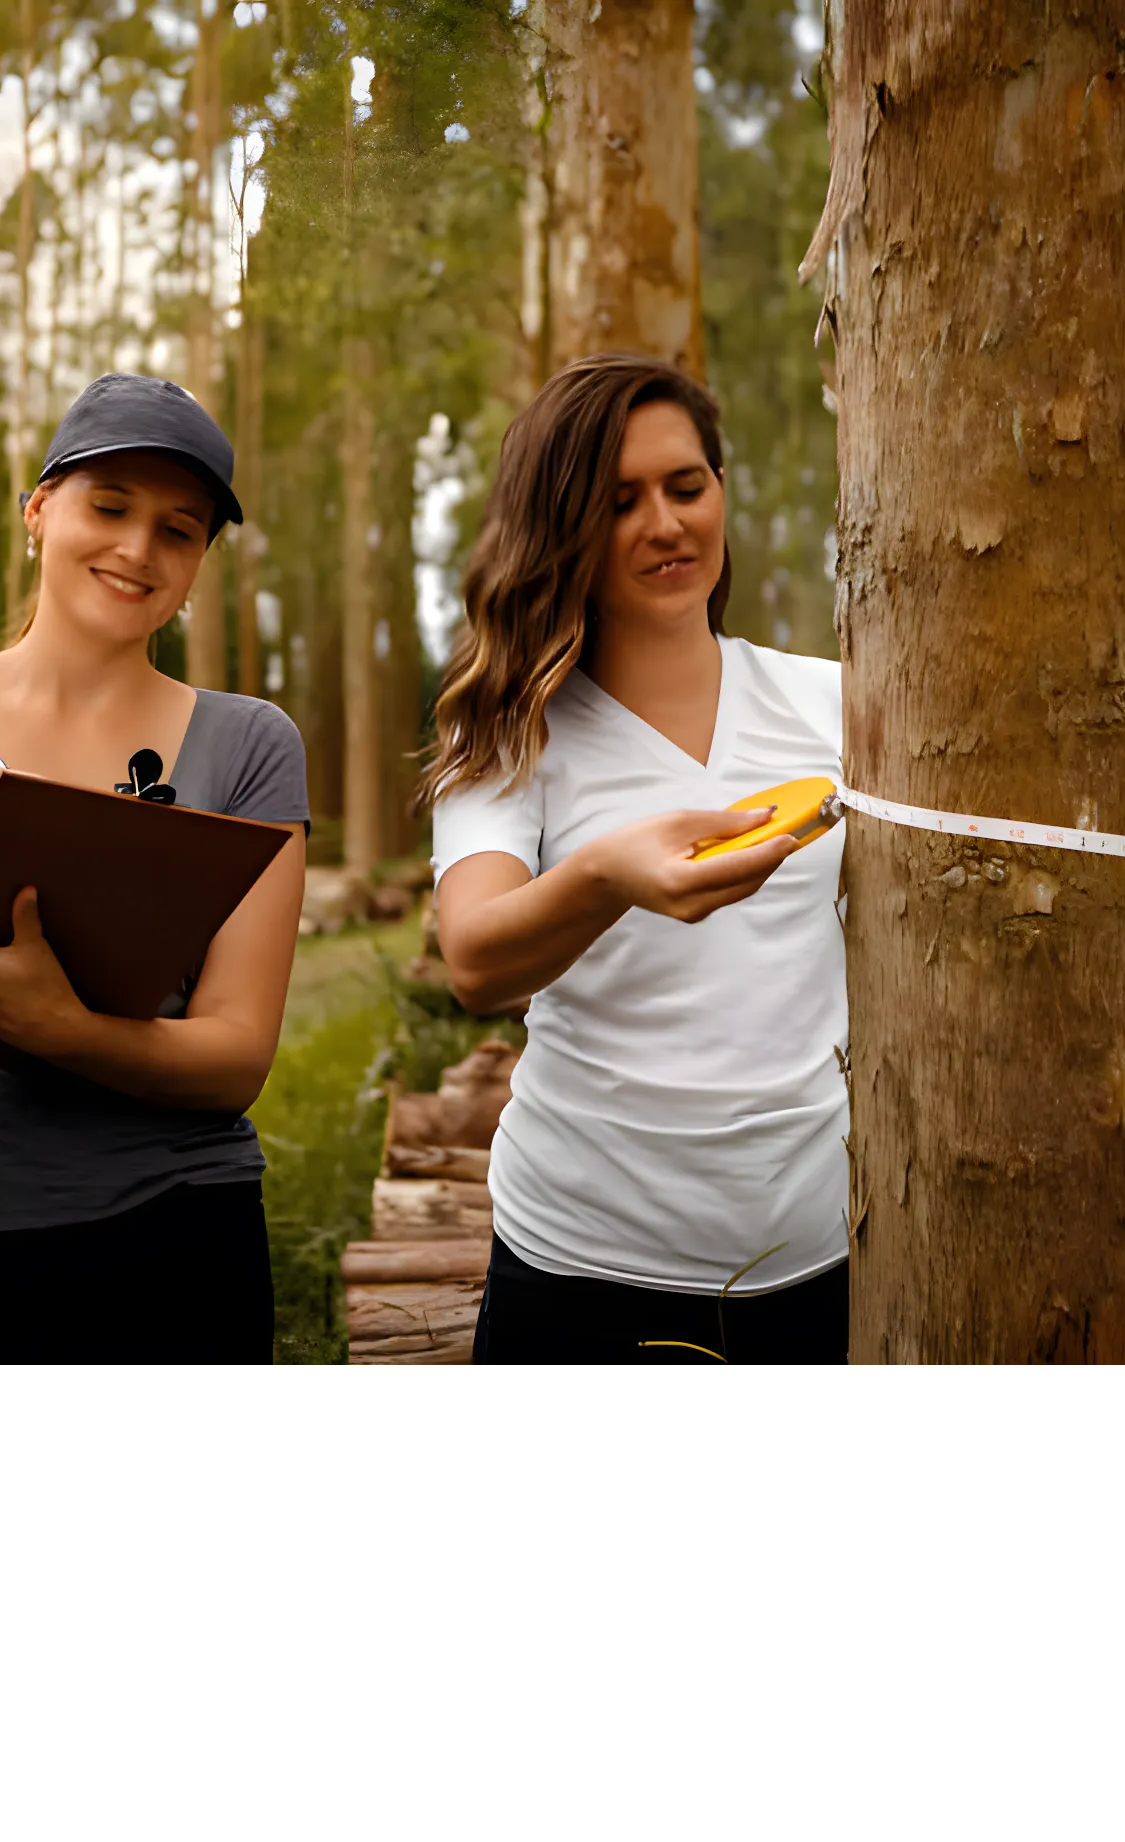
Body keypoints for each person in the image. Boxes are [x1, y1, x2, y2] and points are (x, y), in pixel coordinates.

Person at [0, 373, 308, 1365]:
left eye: (179, 529)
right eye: (107, 506)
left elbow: (236, 1059)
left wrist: (55, 1026)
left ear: (201, 558)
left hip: (177, 1234)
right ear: (37, 510)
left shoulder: (251, 745)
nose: (136, 549)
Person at [424, 353, 847, 1368]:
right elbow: (475, 959)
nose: (663, 523)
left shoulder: (833, 702)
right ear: (562, 526)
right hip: (582, 1269)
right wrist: (606, 876)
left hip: (817, 1259)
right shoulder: (509, 732)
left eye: (684, 486)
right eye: (619, 501)